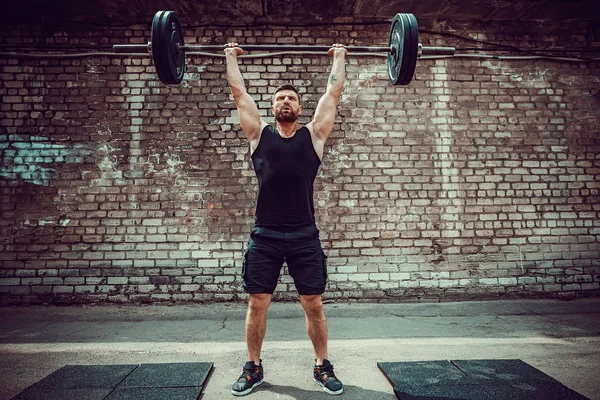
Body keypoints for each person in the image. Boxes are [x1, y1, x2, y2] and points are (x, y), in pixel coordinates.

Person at [224, 42, 347, 396]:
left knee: (313, 303)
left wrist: (339, 56)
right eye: (280, 98)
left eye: (291, 98)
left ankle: (322, 366)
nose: (286, 102)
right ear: (273, 107)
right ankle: (254, 367)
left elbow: (333, 93)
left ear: (299, 107)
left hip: (304, 235)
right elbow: (238, 92)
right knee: (257, 301)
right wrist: (230, 57)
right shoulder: (258, 135)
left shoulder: (314, 135)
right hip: (264, 236)